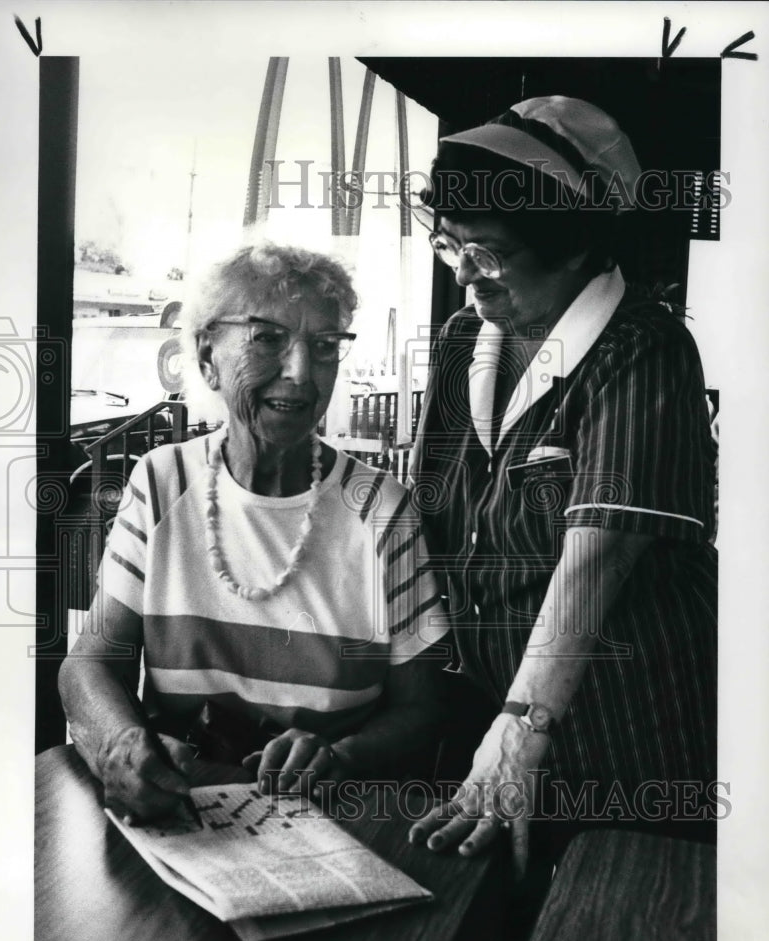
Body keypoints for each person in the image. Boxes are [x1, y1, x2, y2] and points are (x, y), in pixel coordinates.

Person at [407, 96, 718, 874]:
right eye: (450, 245)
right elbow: (428, 525)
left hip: (627, 735)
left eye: (490, 252)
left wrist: (520, 726)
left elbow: (596, 558)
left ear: (576, 246)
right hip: (491, 726)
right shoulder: (457, 342)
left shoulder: (641, 348)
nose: (464, 275)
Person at [59, 244, 449, 823]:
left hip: (330, 817)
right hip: (185, 806)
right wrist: (119, 744)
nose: (300, 372)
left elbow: (423, 709)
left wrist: (341, 756)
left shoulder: (379, 509)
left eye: (323, 347)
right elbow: (89, 664)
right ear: (208, 357)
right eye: (267, 339)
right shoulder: (162, 483)